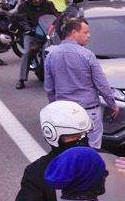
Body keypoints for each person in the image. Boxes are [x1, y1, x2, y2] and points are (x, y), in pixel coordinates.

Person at [42, 14, 118, 149]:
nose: (89, 35)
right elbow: (101, 84)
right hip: (89, 111)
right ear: (74, 33)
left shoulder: (51, 55)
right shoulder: (87, 55)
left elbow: (49, 87)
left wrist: (54, 107)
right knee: (92, 148)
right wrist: (112, 104)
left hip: (64, 111)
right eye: (86, 32)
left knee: (68, 148)